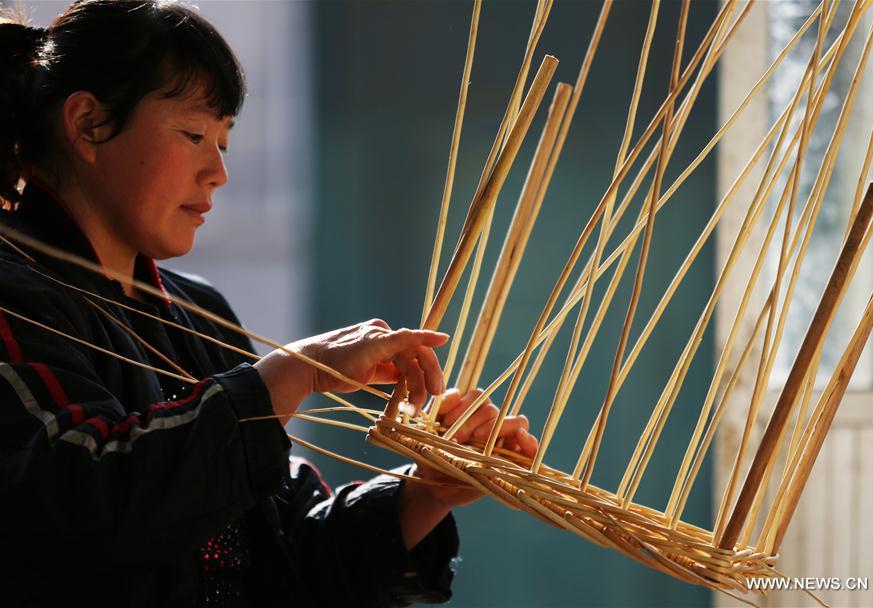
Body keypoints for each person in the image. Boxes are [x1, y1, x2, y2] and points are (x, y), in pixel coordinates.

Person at [0, 1, 539, 606]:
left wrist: (426, 493)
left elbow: (282, 556)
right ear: (88, 124)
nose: (218, 172)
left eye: (224, 142)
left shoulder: (197, 312)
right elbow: (79, 502)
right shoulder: (12, 298)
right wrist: (293, 373)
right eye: (194, 135)